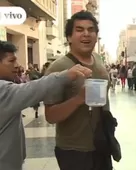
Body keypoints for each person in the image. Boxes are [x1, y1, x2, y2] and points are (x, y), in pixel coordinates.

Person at [0, 40, 92, 170]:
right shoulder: (3, 91)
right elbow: (32, 89)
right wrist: (66, 75)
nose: (17, 65)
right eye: (11, 61)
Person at [43, 11, 111, 170]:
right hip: (74, 150)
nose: (86, 34)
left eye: (91, 29)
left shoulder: (98, 60)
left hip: (101, 144)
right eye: (79, 30)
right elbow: (50, 116)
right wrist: (79, 99)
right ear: (69, 37)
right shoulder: (59, 68)